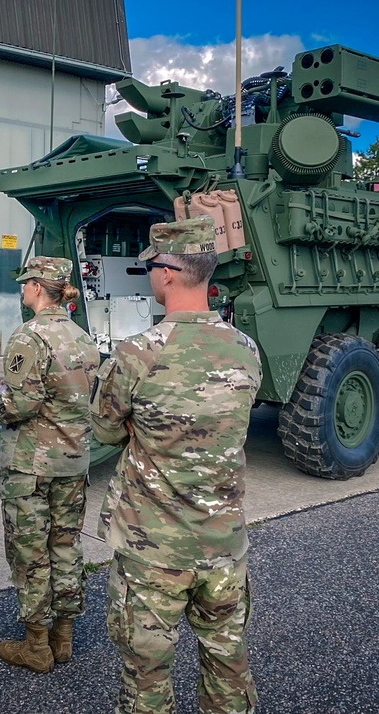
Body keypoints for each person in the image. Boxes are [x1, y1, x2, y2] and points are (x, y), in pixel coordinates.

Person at [89, 216, 263, 714]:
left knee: (147, 676)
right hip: (224, 543)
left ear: (165, 272)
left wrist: (144, 429)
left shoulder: (136, 354)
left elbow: (103, 430)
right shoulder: (245, 350)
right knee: (227, 660)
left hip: (153, 550)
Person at [0, 256, 101, 673]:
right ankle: (63, 637)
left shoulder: (29, 337)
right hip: (73, 462)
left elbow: (20, 404)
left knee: (30, 551)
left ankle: (37, 645)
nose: (22, 290)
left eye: (25, 283)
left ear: (36, 287)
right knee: (66, 545)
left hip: (32, 466)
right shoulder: (82, 336)